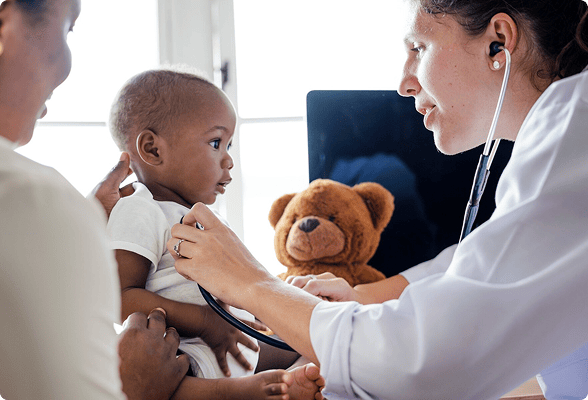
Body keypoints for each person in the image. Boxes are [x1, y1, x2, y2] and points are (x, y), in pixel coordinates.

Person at [153, 0, 588, 398]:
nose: (403, 83)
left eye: (419, 47)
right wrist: (361, 299)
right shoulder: (568, 127)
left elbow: (422, 362)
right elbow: (482, 268)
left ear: (498, 42)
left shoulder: (574, 127)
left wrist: (252, 284)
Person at [0, 0, 189, 399]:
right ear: (6, 23)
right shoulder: (33, 200)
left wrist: (82, 220)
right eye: (68, 28)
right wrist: (137, 389)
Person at [106, 68, 324, 400]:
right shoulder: (139, 209)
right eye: (215, 142)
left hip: (227, 341)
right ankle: (231, 393)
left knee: (309, 340)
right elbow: (120, 298)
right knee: (176, 379)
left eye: (228, 144)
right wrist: (206, 322)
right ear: (152, 150)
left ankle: (287, 379)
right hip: (184, 351)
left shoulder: (193, 215)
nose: (228, 160)